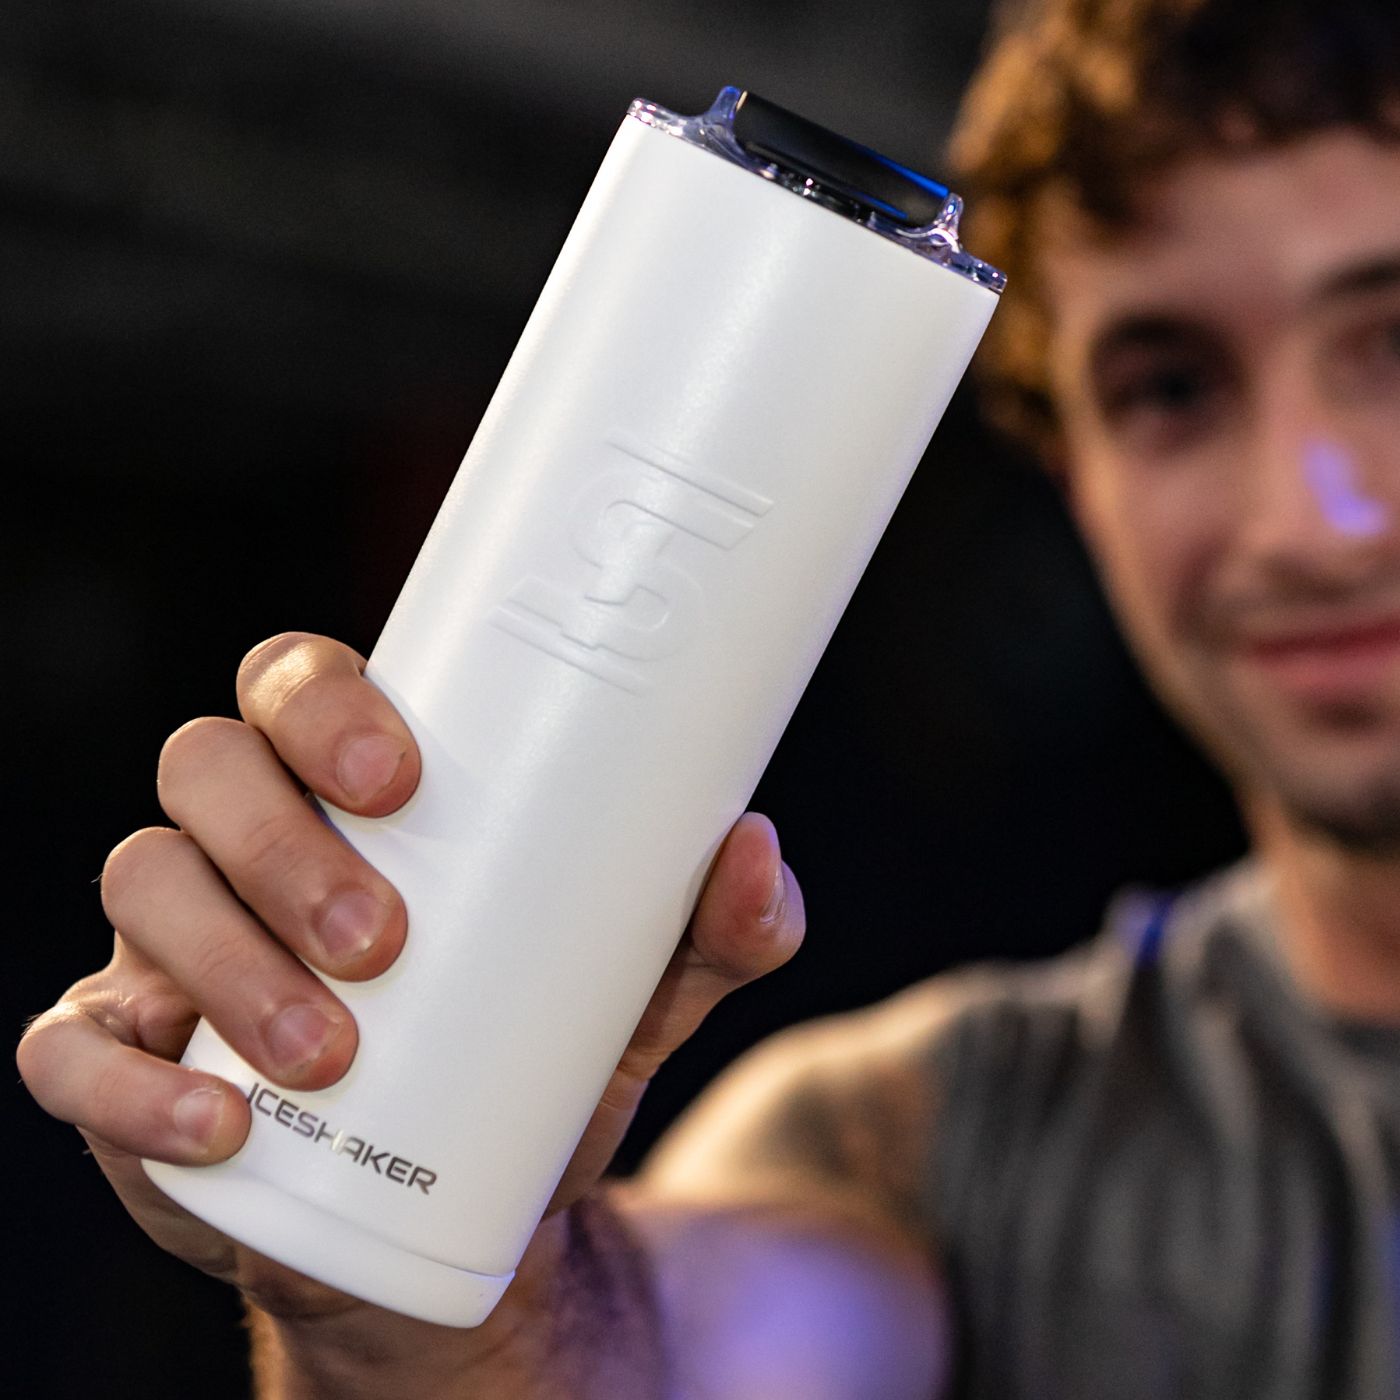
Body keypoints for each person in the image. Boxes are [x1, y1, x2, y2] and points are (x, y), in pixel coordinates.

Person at [19, 0, 1400, 1393]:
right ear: (1072, 467)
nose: (1312, 517)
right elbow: (655, 1358)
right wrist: (406, 1308)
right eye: (1167, 386)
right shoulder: (932, 1142)